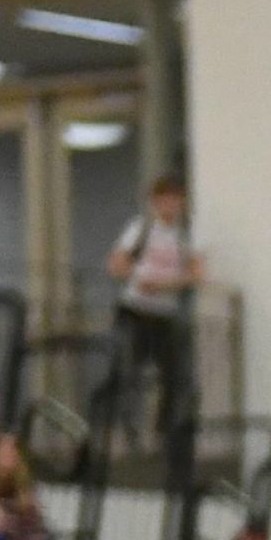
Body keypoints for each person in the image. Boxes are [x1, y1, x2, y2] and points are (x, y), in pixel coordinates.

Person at [108, 171, 202, 440]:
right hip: (136, 309)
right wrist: (139, 277)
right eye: (163, 199)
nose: (168, 206)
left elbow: (196, 273)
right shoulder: (142, 228)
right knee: (131, 371)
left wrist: (165, 285)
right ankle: (130, 428)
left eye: (174, 199)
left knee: (172, 374)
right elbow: (117, 263)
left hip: (165, 312)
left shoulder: (186, 235)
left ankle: (164, 429)